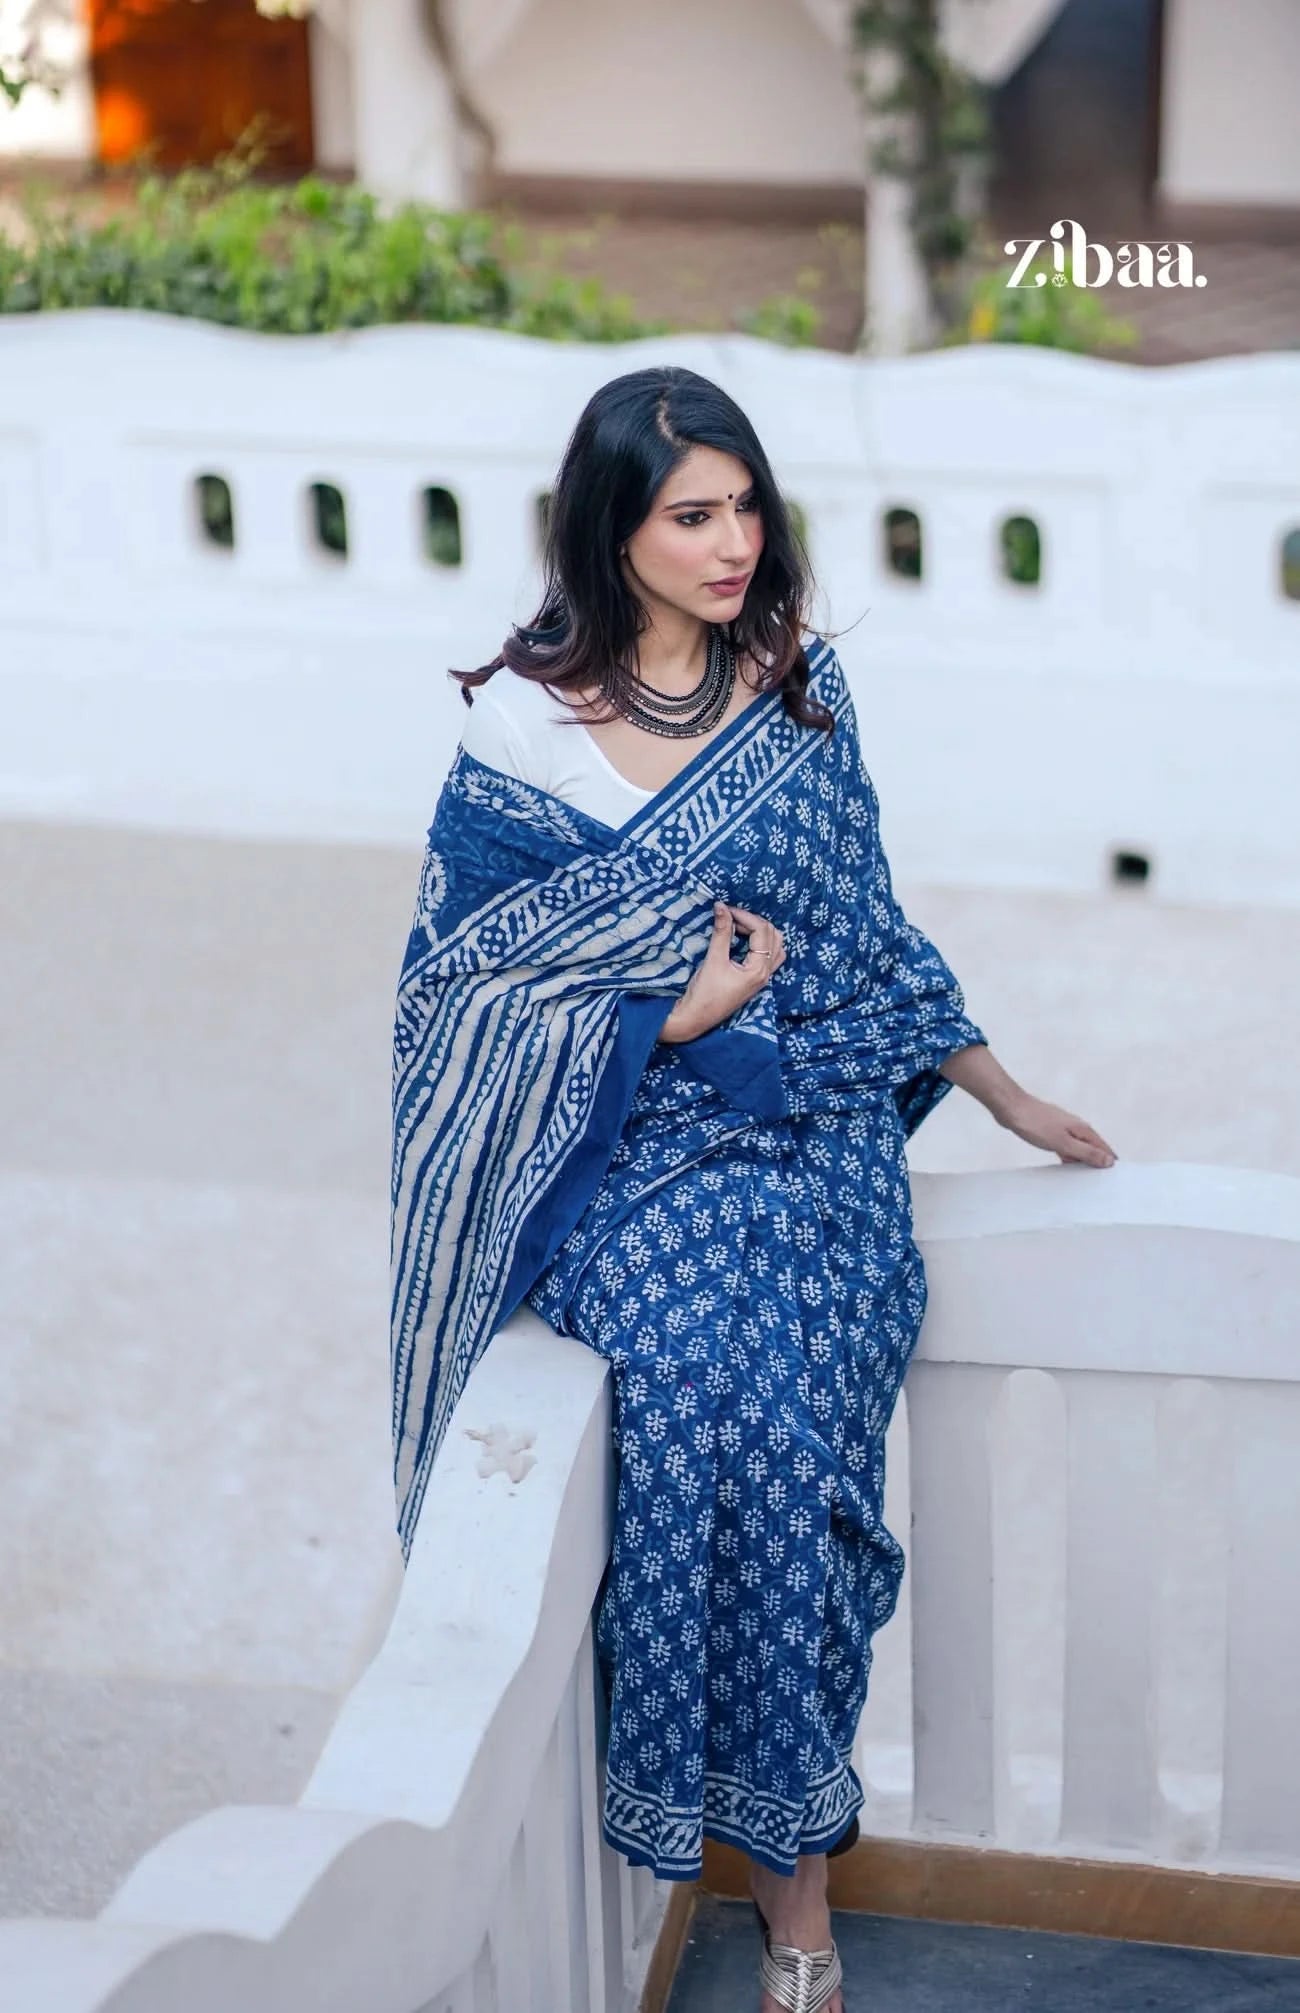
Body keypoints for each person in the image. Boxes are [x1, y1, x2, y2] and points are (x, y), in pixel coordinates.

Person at [389, 365, 1118, 2013]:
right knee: (706, 1397)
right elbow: (464, 1002)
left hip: (818, 1133)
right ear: (612, 530)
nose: (734, 543)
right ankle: (768, 1879)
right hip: (629, 1145)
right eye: (690, 513)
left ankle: (795, 1900)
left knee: (785, 1423)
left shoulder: (791, 684)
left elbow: (864, 925)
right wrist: (675, 1011)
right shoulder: (514, 726)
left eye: (746, 506)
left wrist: (1001, 1087)